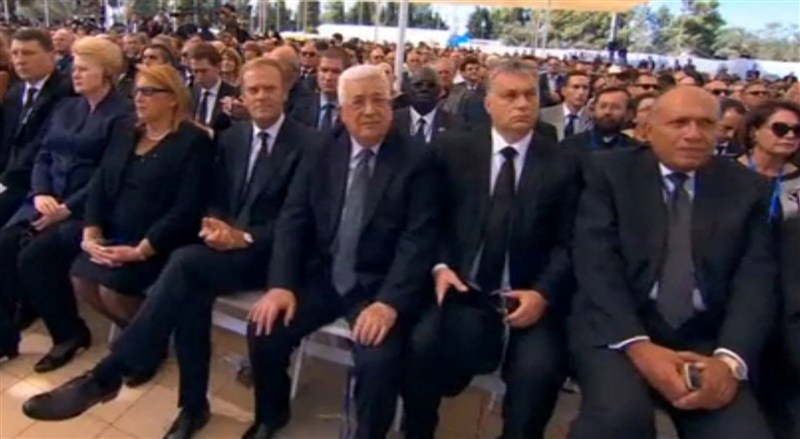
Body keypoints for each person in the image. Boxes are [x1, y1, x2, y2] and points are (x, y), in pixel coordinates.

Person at [20, 58, 319, 439]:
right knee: (189, 288)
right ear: (241, 94)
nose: (261, 96)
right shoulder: (232, 138)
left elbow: (302, 218)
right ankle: (194, 408)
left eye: (269, 88)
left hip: (274, 254)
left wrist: (243, 237)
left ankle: (106, 377)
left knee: (183, 264)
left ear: (286, 91)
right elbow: (214, 198)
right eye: (253, 89)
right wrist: (215, 224)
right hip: (221, 248)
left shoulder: (312, 144)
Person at [568, 86, 777, 439]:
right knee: (619, 422)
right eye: (680, 122)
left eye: (705, 123)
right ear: (647, 130)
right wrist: (640, 346)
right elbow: (597, 267)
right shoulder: (610, 174)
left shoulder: (748, 188)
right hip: (618, 329)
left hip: (705, 339)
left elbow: (755, 282)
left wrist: (729, 362)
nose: (693, 134)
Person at [244, 64, 438, 439]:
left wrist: (389, 303)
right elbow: (293, 219)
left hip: (378, 287)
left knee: (378, 361)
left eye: (378, 100)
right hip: (325, 275)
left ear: (392, 102)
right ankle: (271, 414)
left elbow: (418, 240)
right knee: (264, 327)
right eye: (358, 102)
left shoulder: (418, 159)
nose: (369, 110)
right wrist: (281, 284)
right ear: (342, 109)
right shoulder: (321, 149)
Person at [403, 59, 581, 439]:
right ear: (488, 103)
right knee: (422, 347)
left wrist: (543, 294)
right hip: (462, 287)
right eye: (510, 95)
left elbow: (569, 244)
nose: (522, 104)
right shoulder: (453, 149)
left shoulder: (564, 164)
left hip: (530, 296)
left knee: (539, 373)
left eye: (529, 95)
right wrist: (439, 265)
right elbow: (427, 219)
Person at [0, 36, 133, 374]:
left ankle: (70, 333)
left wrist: (65, 209)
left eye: (84, 68)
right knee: (3, 245)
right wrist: (41, 193)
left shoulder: (122, 116)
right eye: (74, 67)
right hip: (46, 200)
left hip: (88, 210)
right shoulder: (67, 106)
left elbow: (107, 176)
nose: (75, 74)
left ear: (106, 73)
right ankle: (4, 338)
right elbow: (44, 154)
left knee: (35, 256)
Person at [65, 64, 213, 330]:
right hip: (115, 233)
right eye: (136, 92)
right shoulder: (127, 131)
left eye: (148, 91)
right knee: (81, 281)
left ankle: (145, 346)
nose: (139, 98)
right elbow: (101, 183)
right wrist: (91, 231)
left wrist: (141, 250)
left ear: (172, 99)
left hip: (160, 241)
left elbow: (186, 209)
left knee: (115, 292)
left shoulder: (193, 141)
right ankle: (136, 335)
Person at [0, 28, 73, 228]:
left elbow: (41, 144)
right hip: (8, 174)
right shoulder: (15, 92)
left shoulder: (66, 92)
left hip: (35, 182)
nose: (20, 60)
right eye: (15, 53)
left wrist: (4, 182)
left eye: (28, 53)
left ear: (51, 55)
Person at [735, 100, 800, 221]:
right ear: (754, 132)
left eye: (797, 130)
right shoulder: (725, 173)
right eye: (780, 129)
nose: (790, 136)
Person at [393, 66, 461, 145]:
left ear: (440, 91)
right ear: (408, 89)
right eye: (418, 85)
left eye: (431, 86)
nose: (424, 89)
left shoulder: (454, 125)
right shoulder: (392, 121)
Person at [289, 47, 349, 134]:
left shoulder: (354, 110)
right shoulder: (301, 107)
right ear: (317, 71)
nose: (328, 77)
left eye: (336, 72)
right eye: (324, 70)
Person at [561, 87, 638, 152]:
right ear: (594, 109)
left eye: (615, 107)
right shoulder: (571, 146)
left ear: (628, 114)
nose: (607, 112)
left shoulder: (635, 150)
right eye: (603, 106)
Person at [188, 43, 237, 134]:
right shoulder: (189, 93)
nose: (199, 76)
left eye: (204, 71)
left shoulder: (234, 94)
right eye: (195, 71)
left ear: (218, 67)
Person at [539, 70, 592, 141]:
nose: (581, 92)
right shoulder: (544, 116)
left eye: (585, 88)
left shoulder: (593, 119)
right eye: (576, 87)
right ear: (563, 91)